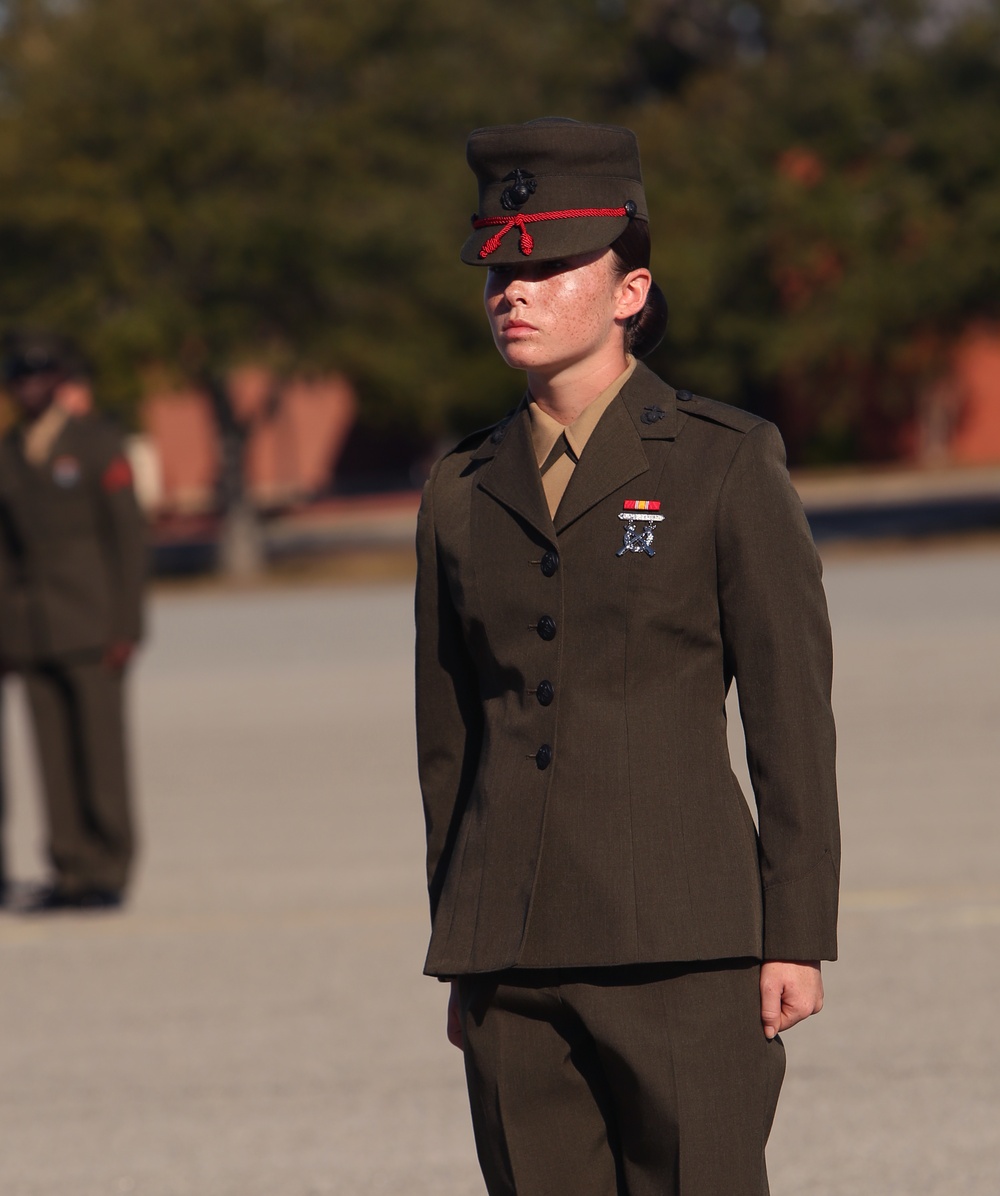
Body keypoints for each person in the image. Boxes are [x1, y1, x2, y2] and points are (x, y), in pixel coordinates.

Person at [414, 119, 840, 1196]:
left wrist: (792, 930)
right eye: (500, 270)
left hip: (684, 941)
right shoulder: (460, 488)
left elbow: (789, 712)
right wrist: (460, 940)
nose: (513, 290)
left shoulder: (723, 461)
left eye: (548, 266)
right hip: (509, 953)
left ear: (627, 290)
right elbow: (448, 732)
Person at [0, 332, 146, 911]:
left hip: (92, 623)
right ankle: (69, 868)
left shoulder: (96, 444)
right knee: (52, 756)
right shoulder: (8, 452)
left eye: (40, 375)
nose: (29, 387)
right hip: (31, 629)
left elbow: (128, 541)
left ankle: (108, 867)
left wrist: (127, 626)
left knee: (100, 753)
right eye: (19, 377)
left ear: (58, 381)